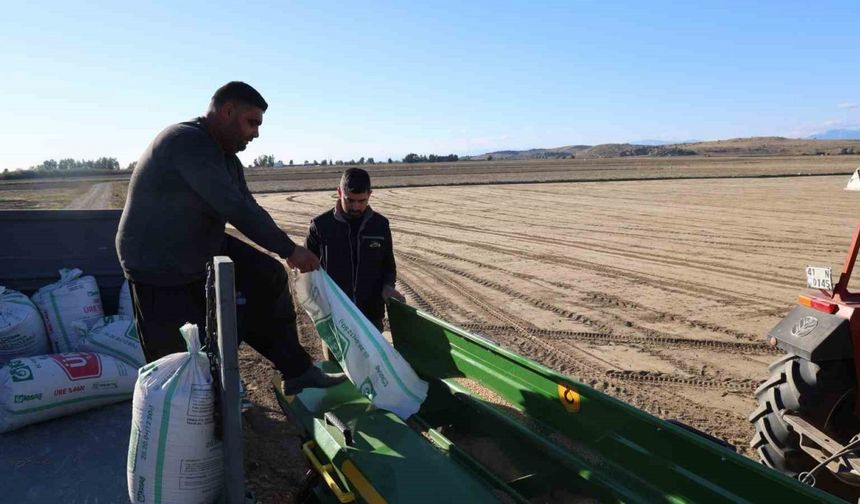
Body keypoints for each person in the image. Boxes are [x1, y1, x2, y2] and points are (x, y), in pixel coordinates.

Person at [116, 81, 345, 394]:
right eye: (252, 122)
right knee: (179, 356)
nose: (256, 133)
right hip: (157, 260)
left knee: (267, 276)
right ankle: (185, 409)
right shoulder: (186, 141)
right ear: (227, 111)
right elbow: (232, 206)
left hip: (198, 245)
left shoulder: (226, 159)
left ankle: (297, 371)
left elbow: (248, 205)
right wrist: (288, 249)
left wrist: (286, 248)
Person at [306, 168, 405, 333]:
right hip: (334, 316)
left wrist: (388, 285)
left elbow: (388, 265)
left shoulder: (380, 225)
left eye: (361, 201)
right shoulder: (321, 226)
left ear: (370, 194)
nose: (356, 206)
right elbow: (307, 272)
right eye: (350, 200)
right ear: (339, 192)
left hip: (371, 316)